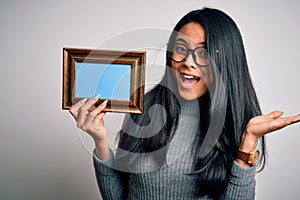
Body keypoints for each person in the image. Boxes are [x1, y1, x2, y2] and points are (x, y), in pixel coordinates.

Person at [69, 8, 300, 200]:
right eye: (181, 49)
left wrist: (247, 144)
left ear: (225, 60)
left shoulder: (235, 123)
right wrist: (100, 141)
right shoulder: (145, 107)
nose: (188, 62)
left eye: (204, 51)